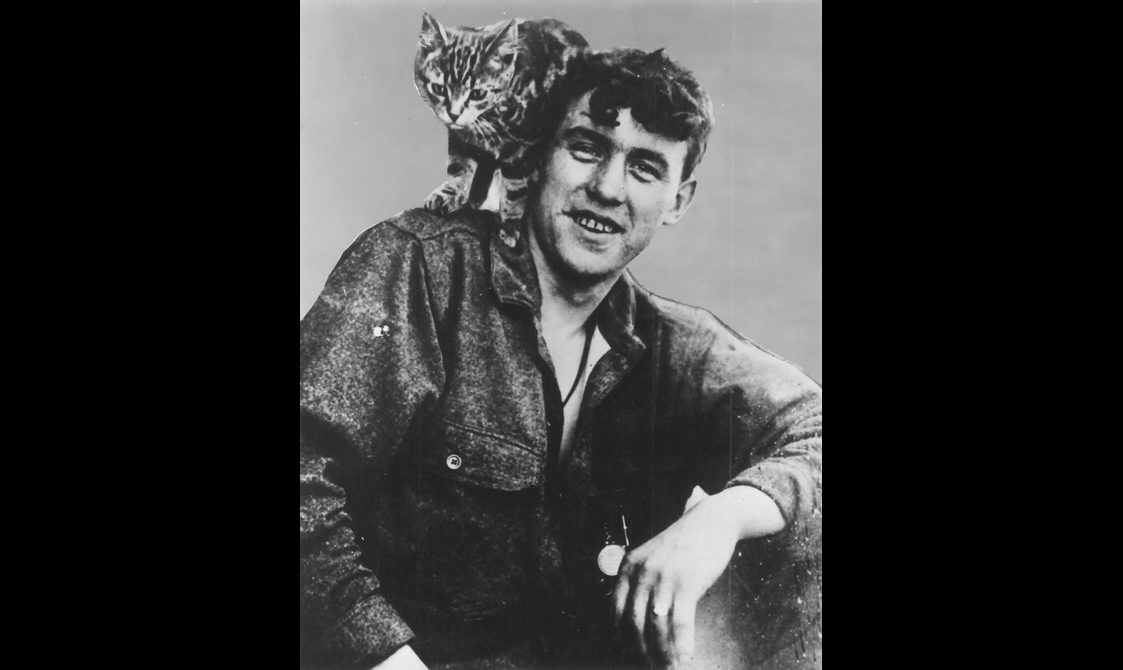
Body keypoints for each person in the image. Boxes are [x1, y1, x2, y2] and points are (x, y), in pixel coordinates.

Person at [300, 47, 821, 670]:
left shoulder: (670, 345)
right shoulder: (420, 267)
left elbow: (813, 429)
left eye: (645, 168)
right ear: (539, 155)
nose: (607, 188)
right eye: (587, 147)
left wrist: (723, 519)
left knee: (799, 532)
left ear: (679, 200)